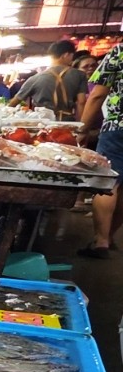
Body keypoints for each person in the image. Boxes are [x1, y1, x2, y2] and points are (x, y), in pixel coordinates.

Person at [79, 43, 123, 257]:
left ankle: (101, 240)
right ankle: (111, 235)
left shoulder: (119, 51)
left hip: (117, 126)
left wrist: (82, 129)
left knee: (108, 182)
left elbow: (98, 95)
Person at [13, 40, 87, 121]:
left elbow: (14, 102)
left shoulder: (34, 78)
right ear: (66, 55)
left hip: (42, 122)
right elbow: (81, 102)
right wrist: (80, 124)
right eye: (72, 55)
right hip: (67, 121)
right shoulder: (80, 75)